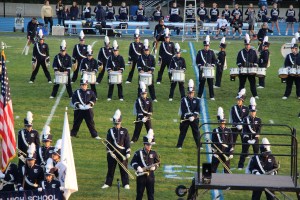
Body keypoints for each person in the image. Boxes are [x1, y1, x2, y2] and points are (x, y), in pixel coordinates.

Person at [102, 109, 131, 189]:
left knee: (124, 169)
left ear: (120, 122)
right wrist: (110, 152)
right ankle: (108, 183)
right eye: (116, 123)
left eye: (118, 123)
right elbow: (108, 143)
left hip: (122, 152)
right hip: (113, 153)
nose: (117, 125)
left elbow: (127, 142)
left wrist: (128, 152)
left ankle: (126, 183)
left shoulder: (125, 130)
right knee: (111, 169)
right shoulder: (110, 131)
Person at [130, 130, 160, 200]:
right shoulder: (138, 152)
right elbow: (133, 162)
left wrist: (154, 168)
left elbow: (158, 163)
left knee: (151, 194)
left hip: (150, 177)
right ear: (144, 144)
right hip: (141, 176)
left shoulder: (154, 153)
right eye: (147, 145)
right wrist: (138, 167)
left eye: (150, 145)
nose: (149, 146)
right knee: (139, 194)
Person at [70, 74, 100, 139]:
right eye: (82, 85)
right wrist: (78, 105)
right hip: (79, 110)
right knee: (76, 122)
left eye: (85, 85)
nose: (84, 86)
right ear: (80, 85)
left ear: (87, 85)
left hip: (88, 110)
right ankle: (73, 134)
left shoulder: (91, 92)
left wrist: (90, 104)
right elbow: (74, 99)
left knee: (91, 123)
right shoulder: (76, 92)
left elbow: (94, 99)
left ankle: (94, 135)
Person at [238, 97, 261, 170]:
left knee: (256, 153)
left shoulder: (259, 119)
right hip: (247, 138)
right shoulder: (246, 119)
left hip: (255, 138)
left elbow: (258, 130)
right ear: (250, 111)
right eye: (251, 111)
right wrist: (248, 138)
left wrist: (255, 138)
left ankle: (257, 166)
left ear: (256, 111)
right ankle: (240, 166)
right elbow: (244, 130)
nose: (253, 113)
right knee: (244, 152)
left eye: (254, 111)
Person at [176, 79, 200, 149]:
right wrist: (189, 116)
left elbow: (198, 110)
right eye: (189, 93)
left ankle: (199, 145)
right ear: (187, 93)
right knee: (183, 132)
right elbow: (183, 111)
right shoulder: (183, 100)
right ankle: (179, 145)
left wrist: (194, 116)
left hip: (194, 119)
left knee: (196, 132)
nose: (190, 94)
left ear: (194, 93)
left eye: (192, 93)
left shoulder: (197, 100)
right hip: (185, 119)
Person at [211, 107, 233, 173]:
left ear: (225, 121)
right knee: (212, 169)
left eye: (223, 121)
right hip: (217, 151)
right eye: (221, 122)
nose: (222, 123)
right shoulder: (215, 130)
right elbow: (213, 142)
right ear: (219, 122)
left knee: (227, 170)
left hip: (226, 152)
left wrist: (231, 153)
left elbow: (231, 142)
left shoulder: (229, 130)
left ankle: (227, 183)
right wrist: (214, 152)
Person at [236, 34, 259, 98]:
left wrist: (253, 65)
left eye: (248, 45)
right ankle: (239, 95)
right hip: (243, 70)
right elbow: (238, 62)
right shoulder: (241, 52)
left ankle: (255, 95)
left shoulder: (253, 52)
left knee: (252, 83)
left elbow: (256, 61)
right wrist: (241, 66)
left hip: (251, 70)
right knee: (241, 84)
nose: (247, 46)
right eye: (246, 45)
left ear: (250, 45)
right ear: (244, 45)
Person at [196, 35, 217, 100]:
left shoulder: (211, 52)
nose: (206, 47)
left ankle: (212, 96)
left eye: (207, 46)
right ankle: (199, 95)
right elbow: (197, 61)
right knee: (201, 83)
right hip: (202, 70)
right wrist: (200, 66)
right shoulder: (200, 52)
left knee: (210, 83)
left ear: (209, 46)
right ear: (204, 46)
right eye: (205, 46)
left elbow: (214, 60)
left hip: (209, 70)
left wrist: (213, 65)